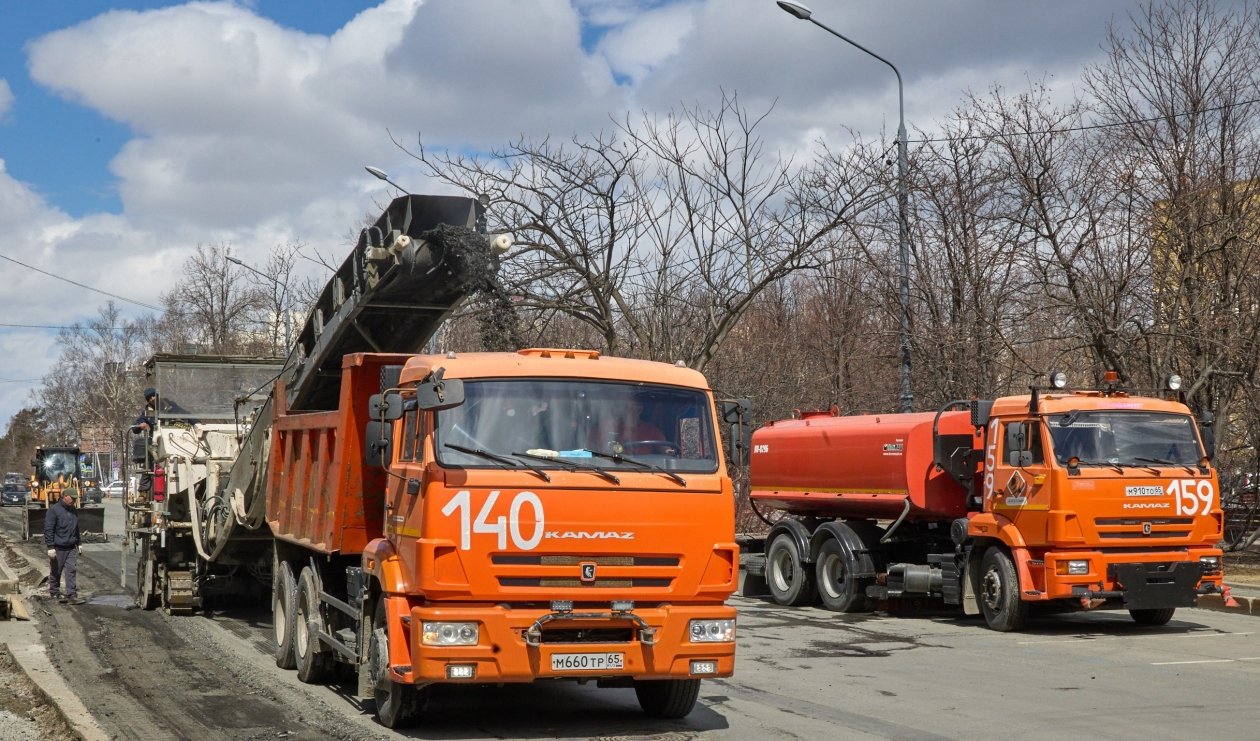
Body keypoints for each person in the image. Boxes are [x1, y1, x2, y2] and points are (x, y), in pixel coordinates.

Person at [44, 489, 85, 605]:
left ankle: (72, 594)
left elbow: (76, 528)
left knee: (71, 570)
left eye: (75, 498)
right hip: (58, 547)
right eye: (72, 498)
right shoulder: (54, 510)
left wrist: (79, 543)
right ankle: (54, 593)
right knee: (56, 571)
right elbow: (48, 529)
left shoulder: (73, 510)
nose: (74, 500)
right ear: (65, 496)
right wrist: (50, 547)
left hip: (71, 546)